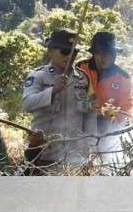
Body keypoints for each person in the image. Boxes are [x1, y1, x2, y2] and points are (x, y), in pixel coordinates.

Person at [22, 28, 96, 172]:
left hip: (76, 156)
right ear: (50, 51)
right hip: (45, 154)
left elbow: (90, 113)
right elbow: (27, 104)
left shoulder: (83, 78)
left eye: (74, 52)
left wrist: (92, 146)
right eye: (64, 51)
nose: (70, 56)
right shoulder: (38, 76)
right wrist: (53, 91)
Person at [77, 32, 133, 159]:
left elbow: (127, 112)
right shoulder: (80, 69)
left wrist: (112, 114)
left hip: (107, 129)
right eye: (101, 52)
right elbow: (70, 97)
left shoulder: (123, 78)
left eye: (110, 53)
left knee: (106, 162)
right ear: (94, 53)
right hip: (80, 124)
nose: (106, 57)